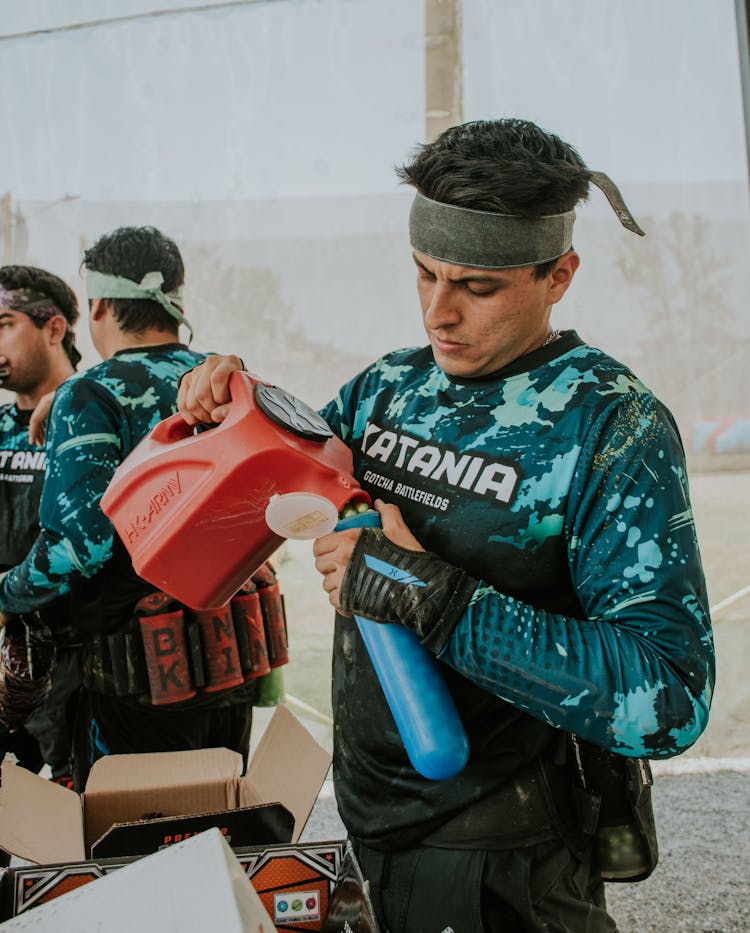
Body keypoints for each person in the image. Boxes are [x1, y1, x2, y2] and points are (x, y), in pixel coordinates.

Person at [175, 119, 715, 933]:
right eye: (424, 274)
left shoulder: (610, 425)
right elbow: (279, 490)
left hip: (505, 850)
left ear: (558, 274)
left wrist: (421, 591)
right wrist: (225, 412)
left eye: (478, 286)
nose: (439, 311)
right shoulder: (391, 387)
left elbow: (665, 696)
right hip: (371, 815)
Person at [0, 227, 274, 791]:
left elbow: (84, 546)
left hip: (134, 683)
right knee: (218, 825)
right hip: (227, 671)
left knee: (135, 850)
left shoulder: (94, 394)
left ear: (97, 305)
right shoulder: (229, 384)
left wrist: (7, 594)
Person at [0, 265, 82, 782]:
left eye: (4, 323)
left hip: (79, 670)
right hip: (8, 661)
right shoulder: (3, 426)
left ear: (54, 328)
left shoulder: (94, 422)